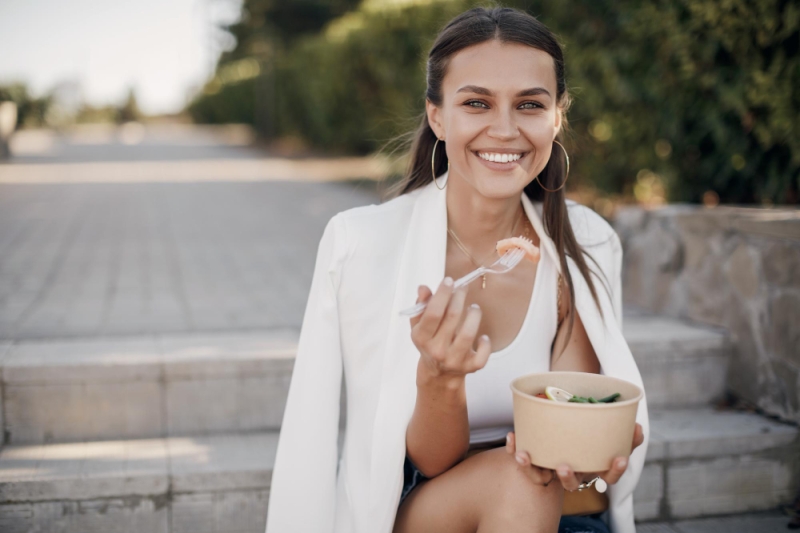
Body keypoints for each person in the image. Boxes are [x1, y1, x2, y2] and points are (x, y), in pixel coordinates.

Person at [265, 6, 648, 533]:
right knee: (518, 483)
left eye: (530, 105)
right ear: (437, 115)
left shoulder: (586, 240)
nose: (505, 129)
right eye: (476, 103)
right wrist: (440, 379)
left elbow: (572, 445)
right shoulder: (361, 244)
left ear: (557, 116)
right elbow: (426, 461)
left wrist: (592, 450)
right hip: (421, 503)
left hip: (549, 509)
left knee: (528, 482)